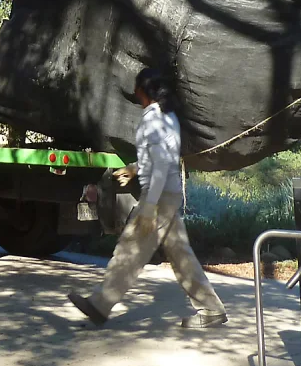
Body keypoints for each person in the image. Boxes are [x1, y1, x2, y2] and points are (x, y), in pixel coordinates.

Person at [68, 67, 227, 329]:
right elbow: (158, 158)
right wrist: (134, 169)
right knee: (180, 255)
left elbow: (162, 165)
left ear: (144, 90)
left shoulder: (153, 119)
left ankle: (99, 305)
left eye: (137, 86)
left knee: (129, 250)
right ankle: (212, 309)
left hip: (160, 196)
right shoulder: (168, 116)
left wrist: (149, 208)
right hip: (167, 193)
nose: (133, 91)